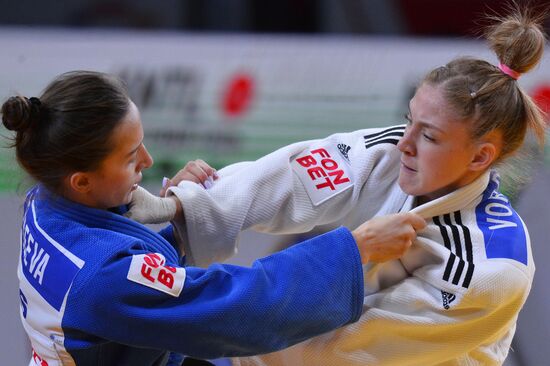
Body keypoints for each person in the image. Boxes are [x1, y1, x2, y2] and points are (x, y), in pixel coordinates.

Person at [129, 8, 547, 366]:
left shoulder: (491, 270)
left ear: (480, 157)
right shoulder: (392, 152)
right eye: (409, 120)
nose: (404, 142)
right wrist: (184, 209)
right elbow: (289, 180)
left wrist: (200, 327)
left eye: (430, 136)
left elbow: (343, 351)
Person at [1, 71, 426, 366]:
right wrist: (351, 251)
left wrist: (180, 212)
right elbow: (234, 308)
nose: (148, 162)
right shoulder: (102, 278)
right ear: (82, 181)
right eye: (131, 158)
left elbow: (135, 280)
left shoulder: (45, 203)